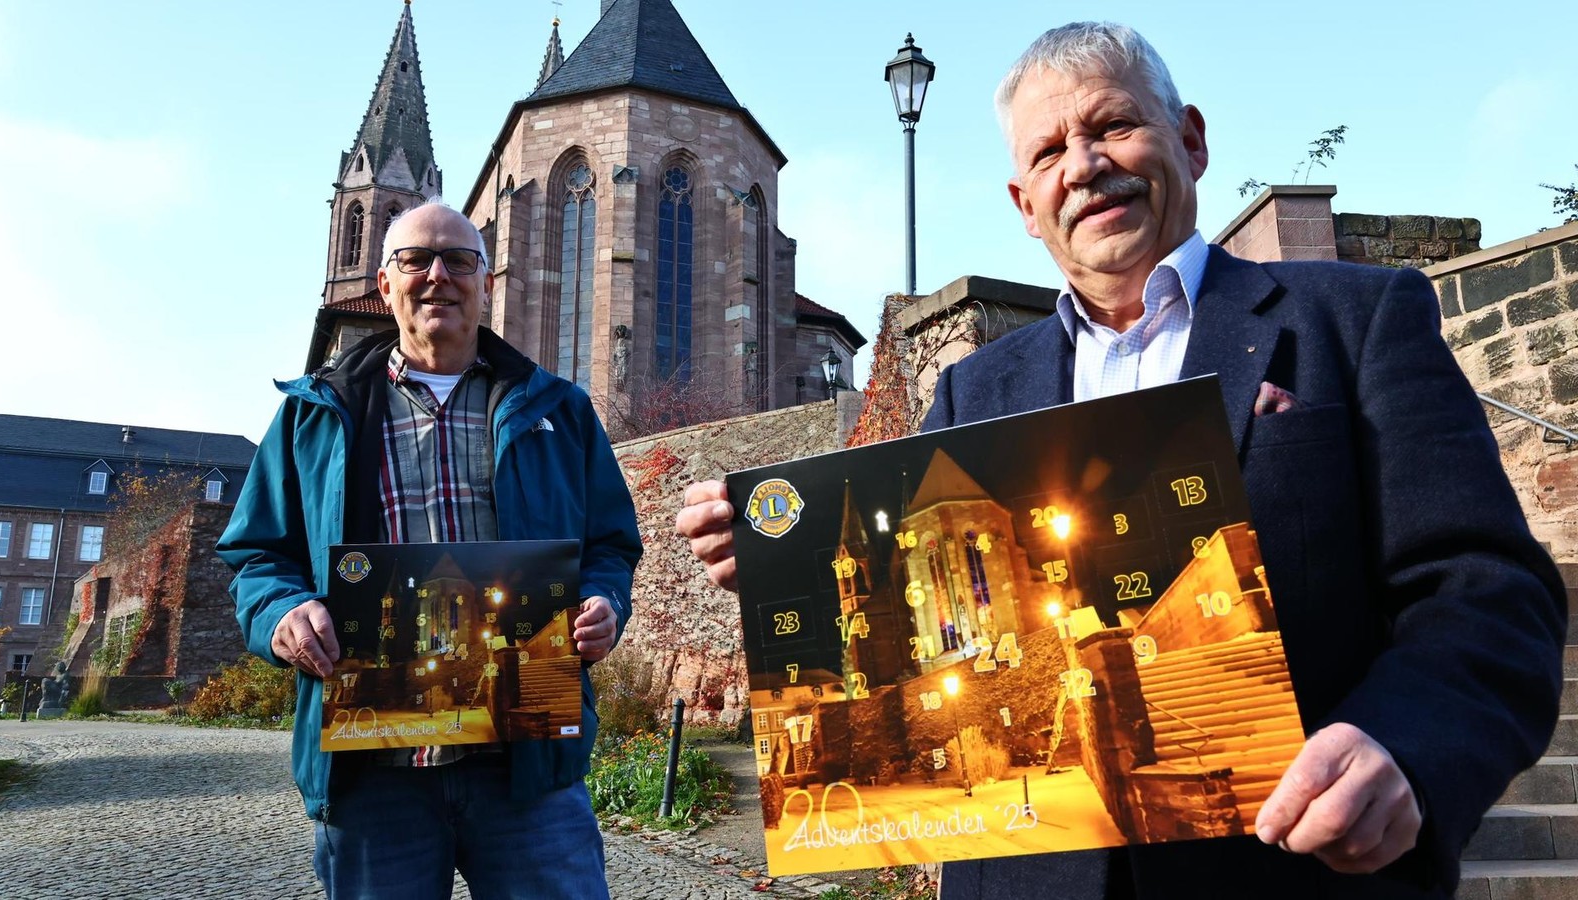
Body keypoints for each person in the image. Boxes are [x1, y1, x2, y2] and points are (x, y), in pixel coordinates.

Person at [675, 21, 1566, 900]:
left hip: (1292, 872)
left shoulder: (1356, 320)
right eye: (1051, 149)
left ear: (1191, 140)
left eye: (1112, 126)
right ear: (1026, 205)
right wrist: (774, 567)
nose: (1085, 164)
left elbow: (1489, 594)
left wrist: (1405, 745)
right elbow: (914, 594)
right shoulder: (971, 395)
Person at [218, 200, 642, 900]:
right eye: (416, 260)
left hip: (525, 763)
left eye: (459, 259)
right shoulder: (315, 413)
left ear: (485, 281)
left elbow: (610, 544)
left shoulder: (559, 410)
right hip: (373, 774)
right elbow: (257, 555)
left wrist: (603, 600)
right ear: (385, 284)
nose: (437, 274)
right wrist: (284, 614)